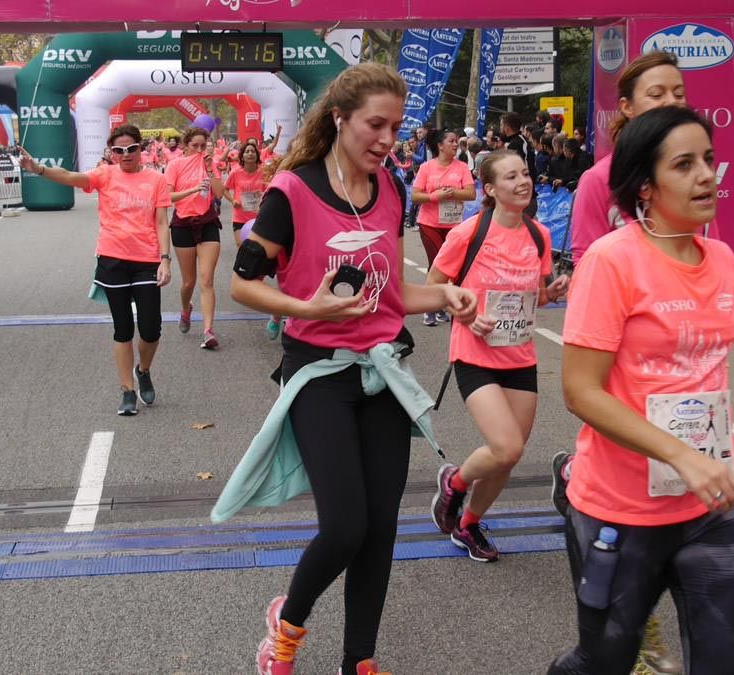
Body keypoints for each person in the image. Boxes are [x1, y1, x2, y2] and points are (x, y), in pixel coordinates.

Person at [232, 63, 475, 675]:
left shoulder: (391, 189)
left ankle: (358, 662)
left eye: (396, 126)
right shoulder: (293, 190)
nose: (387, 139)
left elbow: (390, 292)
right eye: (375, 124)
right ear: (340, 118)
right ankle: (286, 627)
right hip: (318, 372)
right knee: (344, 527)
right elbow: (243, 283)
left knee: (381, 530)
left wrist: (445, 295)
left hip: (384, 370)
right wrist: (303, 306)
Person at [549, 105, 734, 674]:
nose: (707, 174)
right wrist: (682, 456)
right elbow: (581, 392)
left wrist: (712, 457)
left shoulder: (722, 259)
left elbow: (705, 366)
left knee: (724, 663)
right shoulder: (612, 262)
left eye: (708, 159)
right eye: (684, 165)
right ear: (645, 186)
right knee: (605, 660)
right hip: (619, 511)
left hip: (710, 505)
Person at [427, 150, 569, 561]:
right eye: (511, 177)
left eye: (525, 173)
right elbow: (436, 287)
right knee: (505, 448)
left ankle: (468, 523)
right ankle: (454, 483)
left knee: (508, 459)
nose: (523, 182)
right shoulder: (468, 234)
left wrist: (550, 294)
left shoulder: (539, 235)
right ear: (489, 189)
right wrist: (466, 315)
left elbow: (533, 295)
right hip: (474, 352)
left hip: (520, 355)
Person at [21, 125, 172, 416]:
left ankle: (143, 370)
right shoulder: (105, 174)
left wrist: (165, 259)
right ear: (111, 153)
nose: (125, 155)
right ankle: (127, 390)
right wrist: (38, 169)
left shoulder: (156, 179)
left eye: (131, 149)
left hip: (147, 260)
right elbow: (68, 177)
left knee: (152, 330)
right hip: (112, 259)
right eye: (119, 150)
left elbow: (162, 222)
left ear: (141, 149)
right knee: (123, 328)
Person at [570, 51, 718, 265]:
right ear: (627, 107)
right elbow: (585, 261)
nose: (671, 102)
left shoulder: (698, 176)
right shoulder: (598, 179)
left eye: (678, 94)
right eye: (657, 95)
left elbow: (711, 253)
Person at [164, 127, 225, 347]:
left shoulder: (210, 163)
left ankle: (208, 330)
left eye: (203, 145)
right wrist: (192, 190)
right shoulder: (175, 165)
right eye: (195, 146)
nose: (199, 150)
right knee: (189, 281)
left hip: (207, 222)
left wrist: (209, 169)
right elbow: (167, 196)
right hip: (182, 224)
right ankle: (185, 309)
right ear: (185, 145)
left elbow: (218, 193)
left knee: (207, 279)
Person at [411, 128, 476, 327]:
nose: (456, 145)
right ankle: (431, 309)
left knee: (452, 268)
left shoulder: (462, 167)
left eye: (457, 142)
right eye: (451, 141)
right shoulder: (426, 168)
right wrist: (434, 197)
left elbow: (471, 193)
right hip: (429, 223)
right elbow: (415, 196)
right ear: (440, 145)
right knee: (437, 263)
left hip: (453, 226)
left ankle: (445, 304)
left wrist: (451, 193)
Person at [226, 142, 266, 248]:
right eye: (247, 151)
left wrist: (264, 198)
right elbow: (224, 189)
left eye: (253, 151)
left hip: (259, 216)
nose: (250, 154)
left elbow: (270, 190)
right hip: (240, 217)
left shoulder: (264, 172)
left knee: (257, 248)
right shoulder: (235, 172)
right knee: (241, 246)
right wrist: (232, 200)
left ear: (257, 155)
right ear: (242, 156)